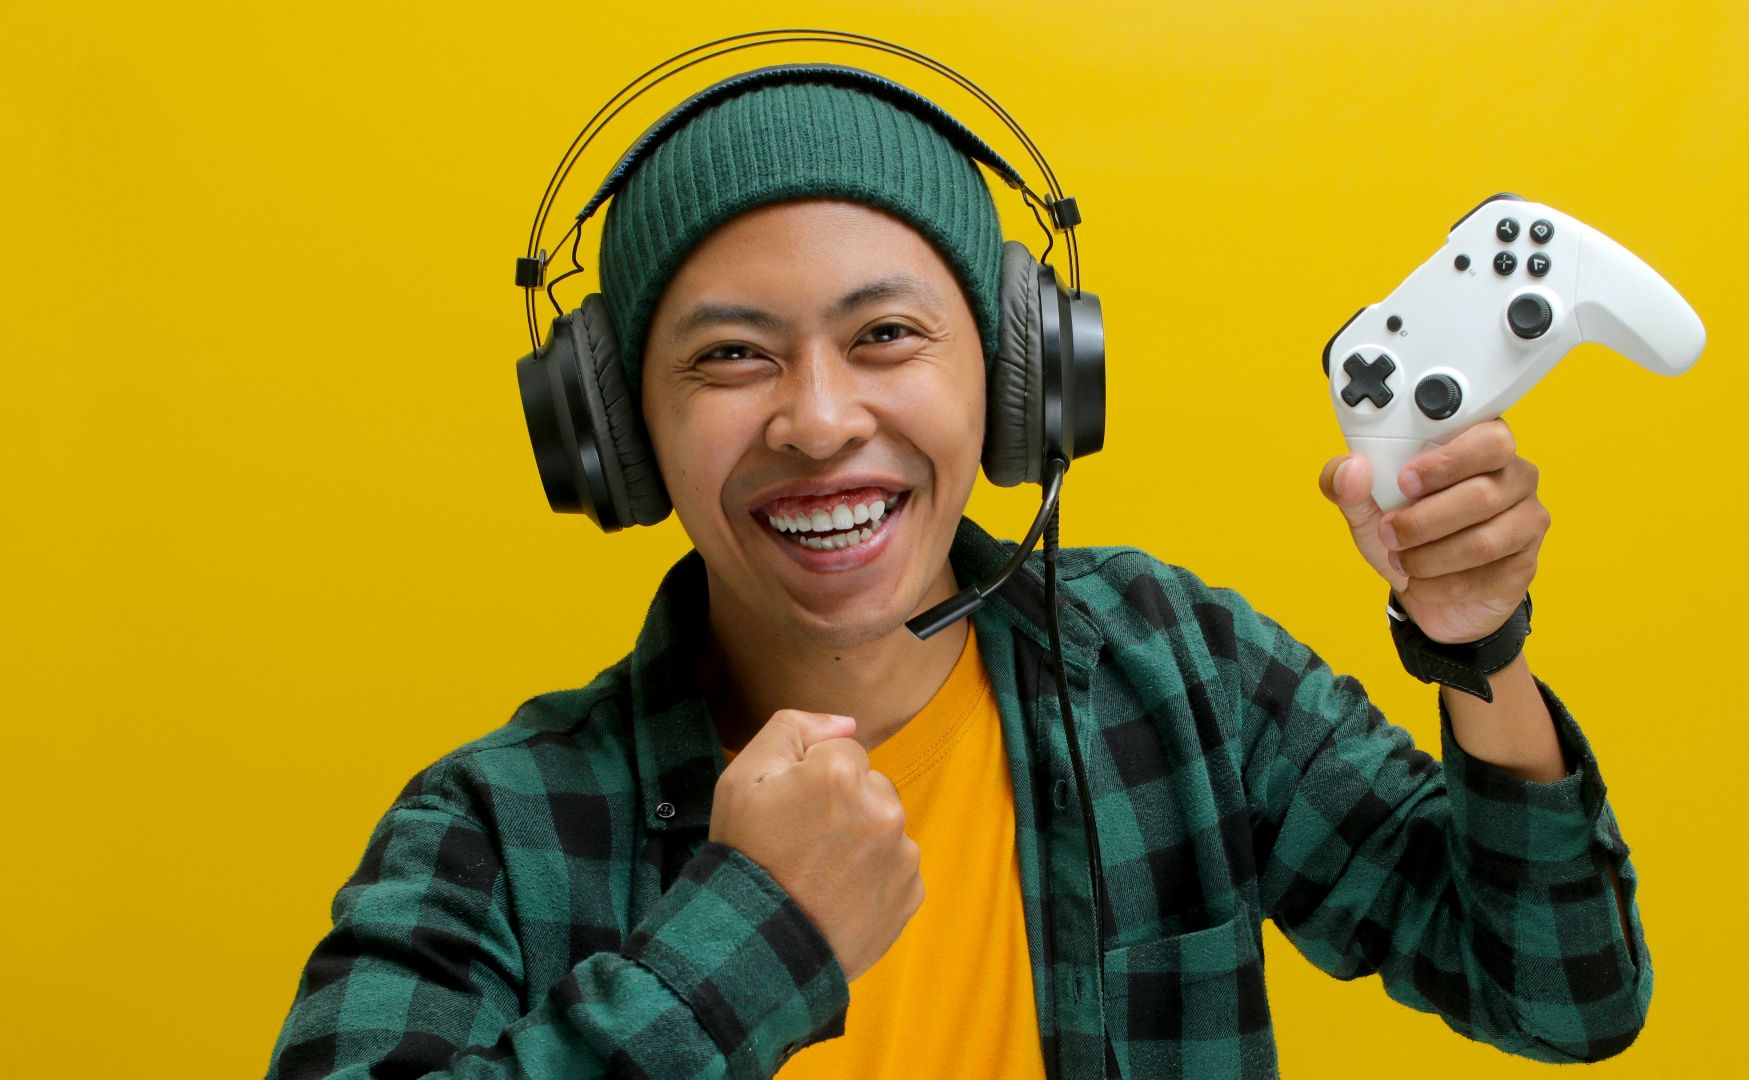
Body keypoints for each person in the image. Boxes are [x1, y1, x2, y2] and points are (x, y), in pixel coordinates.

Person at [265, 72, 1650, 1080]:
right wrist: (754, 936)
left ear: (1019, 382)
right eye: (731, 356)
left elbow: (1563, 995)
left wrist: (1477, 648)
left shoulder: (1175, 671)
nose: (819, 422)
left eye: (885, 335)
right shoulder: (497, 827)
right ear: (619, 437)